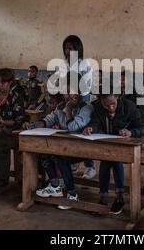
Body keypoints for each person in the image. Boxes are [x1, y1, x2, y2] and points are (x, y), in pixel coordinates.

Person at [23, 72, 93, 210]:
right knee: (44, 153)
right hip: (65, 147)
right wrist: (32, 126)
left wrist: (68, 110)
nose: (67, 95)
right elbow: (49, 120)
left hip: (83, 149)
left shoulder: (86, 108)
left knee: (61, 157)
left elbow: (73, 127)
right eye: (65, 91)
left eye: (70, 91)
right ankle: (55, 185)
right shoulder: (61, 106)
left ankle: (72, 193)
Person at [83, 93, 144, 214]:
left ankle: (117, 196)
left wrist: (130, 133)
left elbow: (141, 129)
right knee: (107, 159)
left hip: (127, 147)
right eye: (107, 105)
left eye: (113, 104)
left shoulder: (129, 107)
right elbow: (95, 123)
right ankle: (106, 197)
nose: (110, 108)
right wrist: (91, 128)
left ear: (118, 97)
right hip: (108, 146)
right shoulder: (98, 108)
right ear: (100, 101)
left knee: (114, 159)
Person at [60, 35, 96, 180]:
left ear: (78, 49)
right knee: (68, 128)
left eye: (71, 48)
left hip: (83, 97)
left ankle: (90, 166)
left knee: (82, 131)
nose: (68, 51)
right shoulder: (63, 64)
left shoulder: (84, 63)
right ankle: (71, 160)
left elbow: (86, 84)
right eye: (66, 48)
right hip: (68, 96)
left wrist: (76, 93)